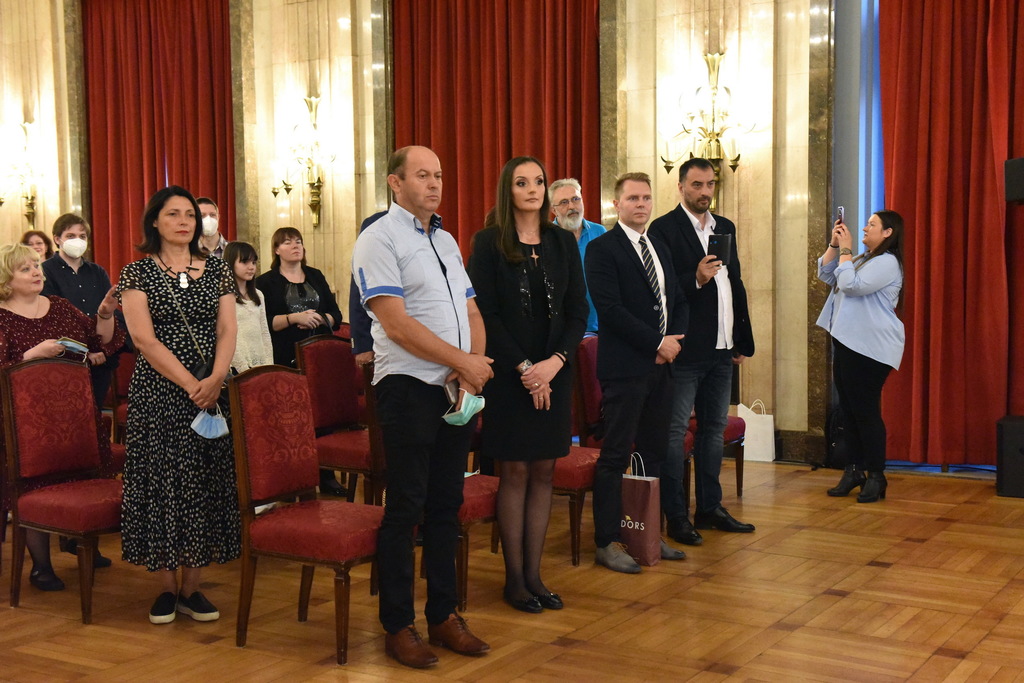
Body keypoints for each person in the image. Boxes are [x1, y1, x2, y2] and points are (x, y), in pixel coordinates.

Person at [352, 145, 493, 669]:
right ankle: (398, 625)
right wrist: (463, 362)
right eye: (422, 175)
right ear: (395, 182)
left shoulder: (447, 240)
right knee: (406, 507)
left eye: (438, 175)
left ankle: (443, 615)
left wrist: (471, 367)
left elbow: (471, 310)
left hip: (453, 387)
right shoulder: (378, 238)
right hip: (407, 387)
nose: (434, 184)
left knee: (445, 504)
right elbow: (395, 323)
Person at [116, 185, 240, 625]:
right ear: (155, 221)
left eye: (190, 214)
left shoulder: (217, 269)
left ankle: (193, 587)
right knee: (165, 485)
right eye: (173, 214)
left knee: (203, 483)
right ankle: (168, 587)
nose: (184, 221)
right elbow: (144, 339)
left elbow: (228, 329)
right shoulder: (136, 273)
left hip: (211, 390)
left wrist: (216, 379)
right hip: (160, 394)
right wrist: (192, 385)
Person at [468, 157, 588, 612]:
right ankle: (514, 580)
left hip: (555, 374)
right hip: (509, 377)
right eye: (522, 183)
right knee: (515, 472)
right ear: (509, 190)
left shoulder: (561, 241)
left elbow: (578, 310)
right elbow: (486, 314)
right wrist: (525, 369)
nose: (533, 189)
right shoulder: (488, 243)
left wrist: (553, 364)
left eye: (538, 181)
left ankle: (536, 577)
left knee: (545, 471)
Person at [0, 242, 124, 590]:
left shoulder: (59, 306)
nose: (36, 272)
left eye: (36, 265)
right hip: (24, 424)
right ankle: (41, 566)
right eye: (25, 268)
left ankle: (83, 541)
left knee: (86, 474)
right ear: (6, 280)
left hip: (73, 417)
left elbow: (100, 343)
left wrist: (105, 314)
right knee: (35, 484)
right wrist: (31, 355)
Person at [584, 172, 688, 574]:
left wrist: (673, 340)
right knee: (616, 455)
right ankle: (607, 541)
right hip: (626, 369)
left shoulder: (657, 245)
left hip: (662, 367)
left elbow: (676, 299)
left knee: (652, 453)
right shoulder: (602, 249)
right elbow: (610, 310)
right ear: (617, 204)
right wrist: (656, 343)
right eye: (632, 198)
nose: (641, 204)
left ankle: (647, 534)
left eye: (645, 198)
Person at [649, 157, 755, 546]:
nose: (705, 192)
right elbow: (661, 290)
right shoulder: (664, 229)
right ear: (681, 187)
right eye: (697, 185)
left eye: (710, 184)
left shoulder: (724, 226)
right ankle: (675, 515)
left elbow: (734, 283)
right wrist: (695, 277)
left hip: (721, 348)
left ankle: (710, 508)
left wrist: (739, 337)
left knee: (713, 432)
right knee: (675, 433)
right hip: (686, 349)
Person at [817, 211, 905, 502]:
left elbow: (851, 286)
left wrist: (846, 251)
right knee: (849, 411)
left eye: (872, 224)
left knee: (865, 412)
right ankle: (853, 470)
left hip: (871, 347)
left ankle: (877, 475)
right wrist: (835, 245)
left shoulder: (887, 262)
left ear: (888, 232)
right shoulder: (864, 259)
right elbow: (826, 274)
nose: (865, 228)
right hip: (848, 341)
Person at [255, 226, 345, 496]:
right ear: (276, 249)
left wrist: (320, 319)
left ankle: (326, 475)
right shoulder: (266, 282)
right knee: (289, 420)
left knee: (322, 416)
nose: (295, 246)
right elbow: (264, 322)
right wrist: (294, 318)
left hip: (319, 356)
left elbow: (336, 314)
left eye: (298, 241)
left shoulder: (315, 275)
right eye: (287, 242)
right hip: (286, 356)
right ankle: (290, 480)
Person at [42, 213, 124, 408]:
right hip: (65, 357)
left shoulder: (97, 271)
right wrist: (84, 352)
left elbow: (108, 310)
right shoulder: (45, 271)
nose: (77, 240)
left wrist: (102, 348)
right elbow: (52, 317)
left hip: (101, 356)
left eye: (82, 236)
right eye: (70, 236)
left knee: (94, 411)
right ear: (57, 239)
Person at [549, 178, 605, 334]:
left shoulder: (600, 232)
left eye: (575, 199)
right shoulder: (546, 237)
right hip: (562, 328)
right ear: (553, 210)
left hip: (598, 325)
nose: (572, 206)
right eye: (564, 202)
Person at [223, 241, 273, 373]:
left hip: (260, 362)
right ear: (230, 263)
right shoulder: (224, 296)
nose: (251, 267)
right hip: (236, 364)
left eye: (254, 262)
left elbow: (264, 331)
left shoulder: (258, 294)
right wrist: (243, 369)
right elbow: (226, 334)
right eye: (245, 262)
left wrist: (269, 364)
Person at [349, 211, 387, 365]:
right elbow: (358, 291)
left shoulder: (436, 229)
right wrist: (362, 344)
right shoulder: (376, 224)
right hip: (388, 344)